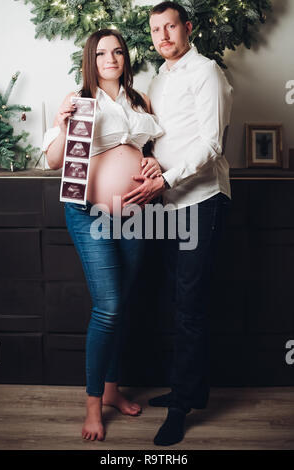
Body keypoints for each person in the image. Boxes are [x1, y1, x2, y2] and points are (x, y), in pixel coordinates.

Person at [42, 28, 164, 442]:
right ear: (90, 60)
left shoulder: (140, 100)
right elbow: (54, 160)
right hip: (88, 213)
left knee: (123, 303)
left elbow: (149, 151)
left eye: (117, 52)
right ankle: (93, 403)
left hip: (135, 216)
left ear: (125, 58)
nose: (110, 59)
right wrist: (60, 126)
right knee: (108, 306)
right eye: (101, 53)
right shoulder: (79, 101)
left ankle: (113, 389)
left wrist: (153, 166)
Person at [122, 1, 233, 446]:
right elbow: (163, 138)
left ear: (187, 28)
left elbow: (211, 143)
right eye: (155, 30)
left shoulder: (206, 72)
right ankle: (193, 389)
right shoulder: (159, 78)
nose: (163, 36)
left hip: (201, 201)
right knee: (180, 301)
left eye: (170, 27)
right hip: (170, 204)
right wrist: (151, 163)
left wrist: (164, 177)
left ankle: (182, 407)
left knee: (189, 308)